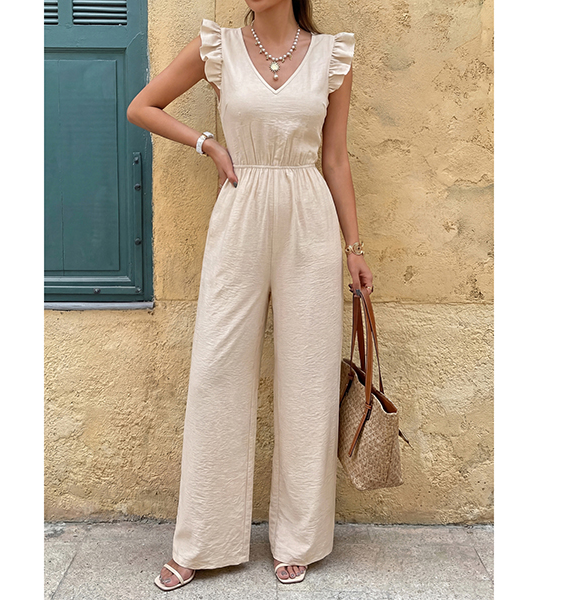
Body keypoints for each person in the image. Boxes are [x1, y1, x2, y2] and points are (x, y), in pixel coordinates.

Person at [127, 0, 374, 592]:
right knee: (217, 371)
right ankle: (202, 540)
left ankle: (299, 538)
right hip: (240, 210)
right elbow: (142, 106)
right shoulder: (219, 47)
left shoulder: (330, 57)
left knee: (309, 378)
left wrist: (354, 247)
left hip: (309, 217)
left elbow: (335, 158)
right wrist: (208, 143)